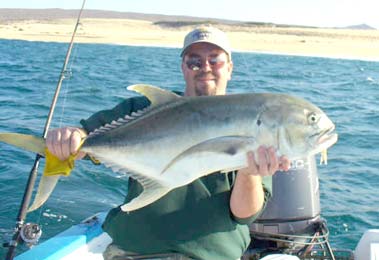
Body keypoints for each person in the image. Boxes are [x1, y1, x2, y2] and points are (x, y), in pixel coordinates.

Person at [46, 26, 290, 260]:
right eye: (194, 61)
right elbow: (85, 135)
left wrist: (249, 173)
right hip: (136, 252)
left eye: (214, 60)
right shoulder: (144, 110)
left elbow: (244, 215)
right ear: (183, 67)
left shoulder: (253, 123)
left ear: (229, 68)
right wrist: (71, 136)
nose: (204, 67)